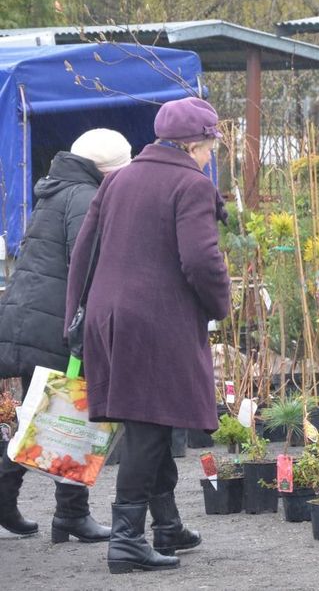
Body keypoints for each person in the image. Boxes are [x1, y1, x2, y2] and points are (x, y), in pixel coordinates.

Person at [65, 97, 230, 574]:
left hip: (108, 316)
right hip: (155, 321)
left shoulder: (118, 180)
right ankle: (127, 540)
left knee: (152, 420)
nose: (210, 156)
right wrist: (219, 305)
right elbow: (200, 259)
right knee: (149, 425)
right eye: (211, 146)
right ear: (198, 144)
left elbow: (84, 251)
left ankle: (167, 525)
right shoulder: (191, 185)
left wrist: (74, 313)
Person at [0, 128, 132, 542]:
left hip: (30, 318)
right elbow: (89, 263)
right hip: (55, 324)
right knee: (63, 414)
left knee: (47, 414)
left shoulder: (56, 190)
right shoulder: (84, 197)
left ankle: (61, 512)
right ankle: (63, 513)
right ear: (108, 171)